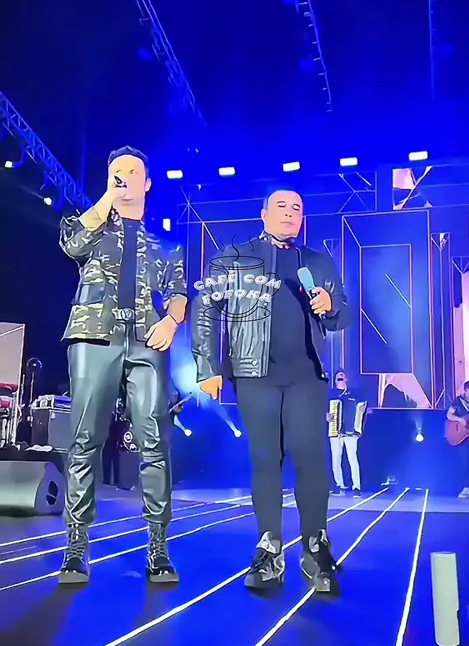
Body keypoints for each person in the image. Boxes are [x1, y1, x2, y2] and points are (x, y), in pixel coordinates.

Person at [191, 188, 351, 593]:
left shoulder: (317, 262)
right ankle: (269, 548)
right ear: (263, 214)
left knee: (311, 458)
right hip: (253, 373)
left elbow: (343, 314)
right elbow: (204, 308)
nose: (290, 213)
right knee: (265, 459)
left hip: (306, 375)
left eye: (297, 208)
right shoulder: (235, 258)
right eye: (281, 206)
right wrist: (207, 366)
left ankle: (316, 547)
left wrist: (331, 304)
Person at [58, 146, 187, 584]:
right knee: (84, 439)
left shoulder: (166, 245)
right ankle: (76, 547)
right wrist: (107, 199)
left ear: (147, 183)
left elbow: (179, 292)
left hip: (147, 341)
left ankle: (158, 547)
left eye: (133, 171)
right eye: (117, 171)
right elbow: (72, 243)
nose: (124, 176)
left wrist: (172, 320)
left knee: (154, 442)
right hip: (94, 336)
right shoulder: (93, 227)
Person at [327, 369, 367, 497]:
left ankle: (356, 487)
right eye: (338, 376)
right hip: (336, 431)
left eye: (342, 375)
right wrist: (326, 416)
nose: (340, 377)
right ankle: (339, 486)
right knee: (336, 459)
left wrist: (359, 428)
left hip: (351, 432)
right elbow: (323, 410)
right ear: (335, 380)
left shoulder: (355, 394)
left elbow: (362, 410)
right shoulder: (330, 394)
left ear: (346, 379)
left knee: (352, 459)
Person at [446, 381, 469, 499]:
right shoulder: (457, 401)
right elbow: (449, 415)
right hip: (462, 437)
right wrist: (460, 420)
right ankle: (466, 487)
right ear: (464, 391)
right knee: (464, 462)